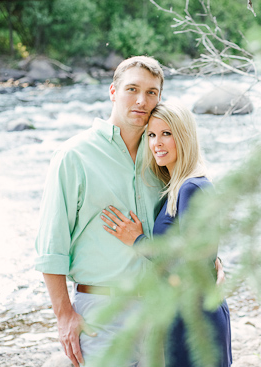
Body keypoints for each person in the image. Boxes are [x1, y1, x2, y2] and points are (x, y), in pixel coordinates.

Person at [35, 56, 224, 367]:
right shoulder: (74, 156)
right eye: (132, 89)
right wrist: (64, 314)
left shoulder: (161, 157)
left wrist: (212, 261)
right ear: (113, 91)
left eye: (152, 92)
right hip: (102, 312)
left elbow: (185, 225)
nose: (142, 100)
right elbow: (51, 246)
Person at [101, 101, 232, 367]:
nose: (156, 143)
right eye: (151, 134)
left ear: (183, 136)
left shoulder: (192, 188)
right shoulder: (178, 187)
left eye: (166, 134)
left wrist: (138, 241)